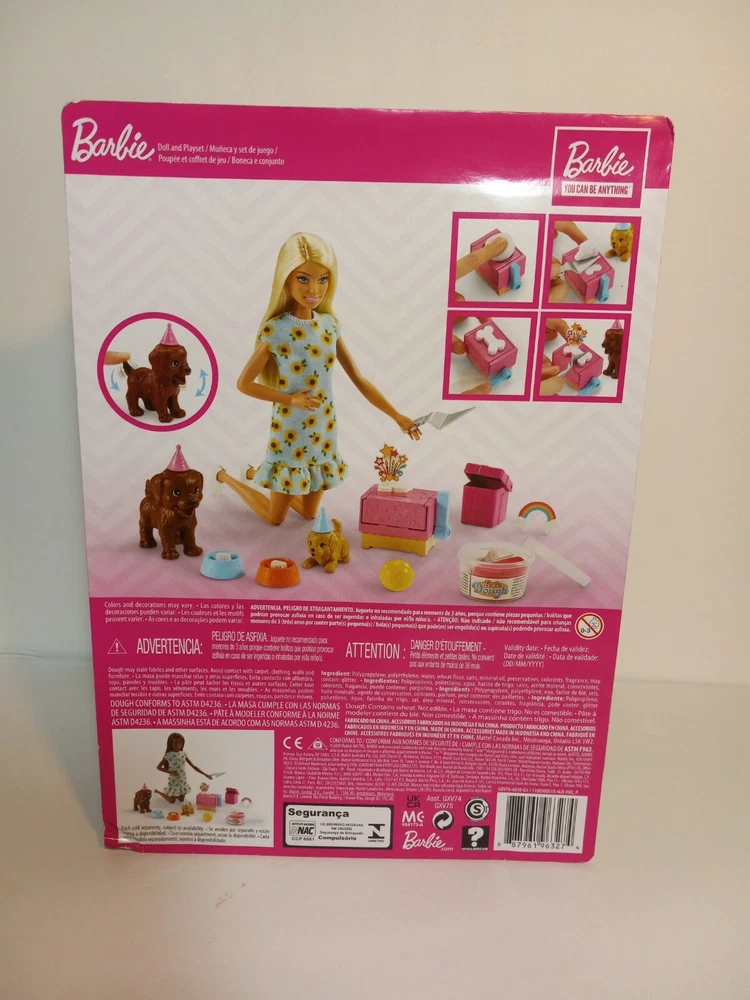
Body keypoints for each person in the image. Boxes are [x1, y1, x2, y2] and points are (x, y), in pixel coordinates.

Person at [216, 232, 421, 525]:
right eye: (303, 279)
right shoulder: (276, 330)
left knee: (309, 513)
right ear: (286, 279)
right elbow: (244, 384)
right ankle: (226, 476)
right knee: (275, 519)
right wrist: (290, 399)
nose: (314, 289)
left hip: (323, 430)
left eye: (323, 279)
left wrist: (396, 415)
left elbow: (359, 378)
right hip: (289, 431)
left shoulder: (329, 326)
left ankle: (254, 473)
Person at [153, 733, 211, 804]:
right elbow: (158, 767)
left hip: (183, 779)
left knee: (181, 799)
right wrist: (170, 772)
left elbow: (193, 766)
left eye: (180, 743)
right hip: (174, 779)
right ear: (171, 743)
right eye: (175, 742)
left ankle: (175, 795)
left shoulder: (183, 754)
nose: (178, 745)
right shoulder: (169, 755)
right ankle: (158, 791)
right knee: (172, 801)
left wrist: (205, 774)